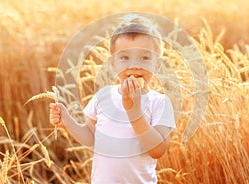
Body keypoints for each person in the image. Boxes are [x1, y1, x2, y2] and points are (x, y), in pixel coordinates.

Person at [49, 14, 176, 183]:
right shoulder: (103, 96)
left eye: (144, 57)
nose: (134, 65)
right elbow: (90, 137)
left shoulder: (159, 103)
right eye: (124, 58)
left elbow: (157, 150)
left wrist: (135, 112)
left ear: (157, 64)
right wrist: (67, 122)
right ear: (113, 63)